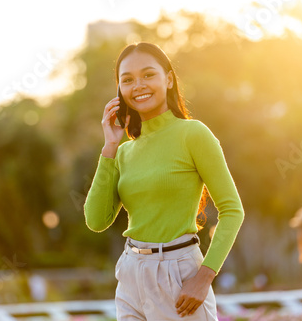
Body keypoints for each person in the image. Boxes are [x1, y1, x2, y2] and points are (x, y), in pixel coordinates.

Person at [83, 42, 244, 320]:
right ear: (120, 90)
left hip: (180, 274)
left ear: (168, 79)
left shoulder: (193, 134)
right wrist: (109, 147)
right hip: (131, 274)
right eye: (128, 80)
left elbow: (232, 211)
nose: (139, 85)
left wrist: (204, 277)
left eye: (148, 75)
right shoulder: (123, 152)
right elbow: (96, 220)